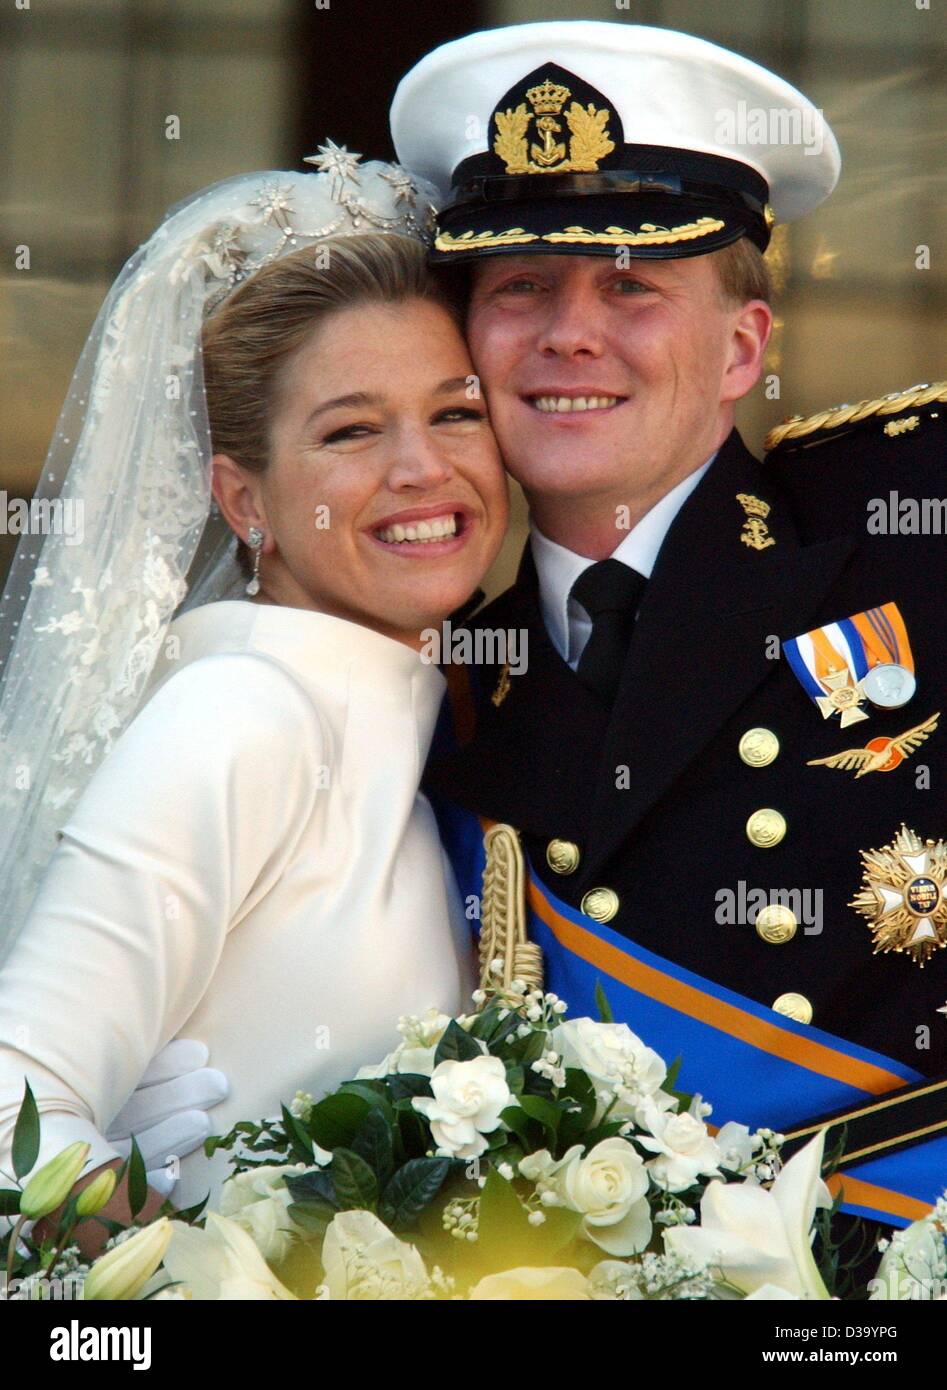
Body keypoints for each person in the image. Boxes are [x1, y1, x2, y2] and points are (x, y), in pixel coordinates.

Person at [389, 21, 947, 1235]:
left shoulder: (912, 537)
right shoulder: (433, 689)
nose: (568, 334)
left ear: (741, 346)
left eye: (632, 287)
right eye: (518, 288)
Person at [0, 159, 508, 1240]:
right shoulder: (240, 717)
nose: (421, 467)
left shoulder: (428, 723)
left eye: (454, 413)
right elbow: (11, 1122)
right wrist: (198, 1246)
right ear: (243, 497)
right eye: (349, 431)